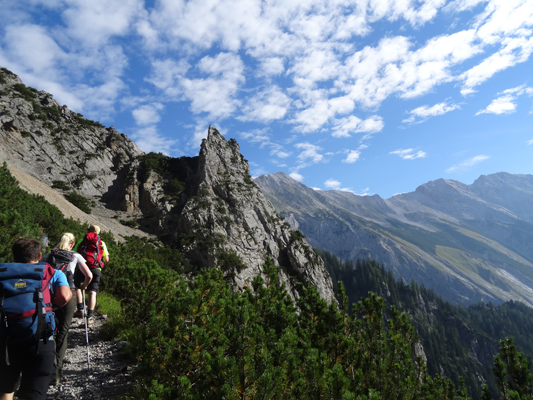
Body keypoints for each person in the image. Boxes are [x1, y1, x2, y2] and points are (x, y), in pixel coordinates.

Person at [0, 237, 71, 400]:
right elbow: (65, 296)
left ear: (14, 257)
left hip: (6, 341)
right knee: (34, 393)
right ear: (39, 257)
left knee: (5, 389)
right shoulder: (50, 271)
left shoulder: (3, 272)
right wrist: (50, 308)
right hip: (41, 339)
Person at [46, 233, 93, 384]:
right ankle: (56, 373)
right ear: (72, 244)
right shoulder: (76, 256)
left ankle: (46, 367)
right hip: (69, 295)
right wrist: (84, 286)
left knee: (49, 330)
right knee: (63, 332)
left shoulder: (49, 255)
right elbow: (89, 275)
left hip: (49, 295)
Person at [74, 225, 109, 327]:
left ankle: (80, 309)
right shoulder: (101, 243)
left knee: (78, 288)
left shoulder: (82, 240)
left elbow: (75, 253)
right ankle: (89, 317)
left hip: (82, 267)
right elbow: (106, 259)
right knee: (92, 292)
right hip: (95, 269)